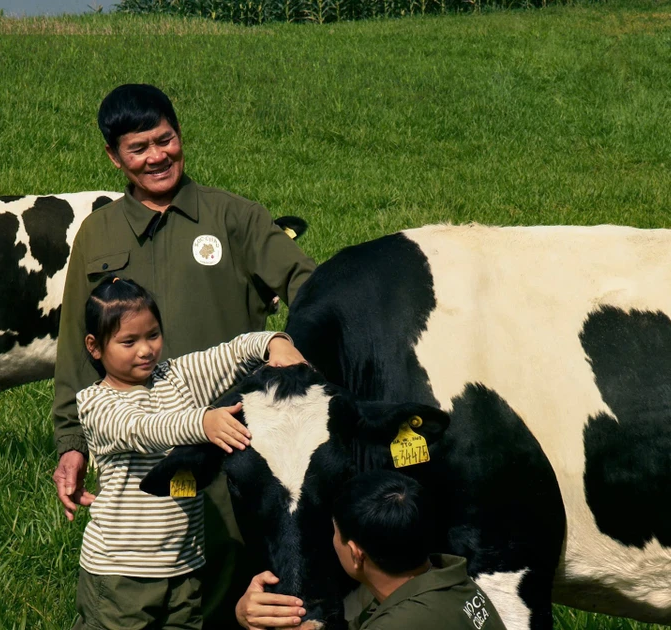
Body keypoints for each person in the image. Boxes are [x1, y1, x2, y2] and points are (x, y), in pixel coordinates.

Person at [52, 83, 316, 624]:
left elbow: (306, 283)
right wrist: (71, 444)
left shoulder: (234, 217)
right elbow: (75, 352)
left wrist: (292, 343)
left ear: (179, 133)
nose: (156, 156)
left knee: (230, 582)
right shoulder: (97, 233)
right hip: (136, 462)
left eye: (164, 139)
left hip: (237, 443)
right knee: (138, 582)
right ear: (114, 157)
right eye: (138, 148)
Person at [74, 276, 307, 629]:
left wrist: (275, 343)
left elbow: (231, 353)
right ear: (94, 347)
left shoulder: (177, 376)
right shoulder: (96, 403)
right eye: (128, 341)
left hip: (184, 568)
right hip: (121, 575)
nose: (145, 349)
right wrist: (202, 423)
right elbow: (141, 428)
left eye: (153, 335)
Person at [236, 471, 507, 630]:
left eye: (336, 533)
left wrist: (245, 618)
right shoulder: (452, 582)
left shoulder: (401, 623)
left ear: (356, 553)